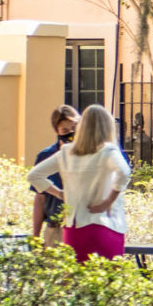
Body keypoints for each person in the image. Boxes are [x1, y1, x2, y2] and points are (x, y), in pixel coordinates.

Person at [26, 104, 130, 263]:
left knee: (74, 283)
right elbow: (124, 172)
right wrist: (108, 201)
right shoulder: (108, 151)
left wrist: (60, 193)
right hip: (106, 224)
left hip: (73, 227)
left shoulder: (66, 152)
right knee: (105, 281)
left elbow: (34, 175)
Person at [29, 105, 79, 248]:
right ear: (57, 131)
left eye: (74, 129)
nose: (71, 134)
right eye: (65, 130)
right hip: (55, 230)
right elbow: (40, 197)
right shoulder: (46, 156)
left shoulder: (87, 155)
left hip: (81, 226)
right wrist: (36, 237)